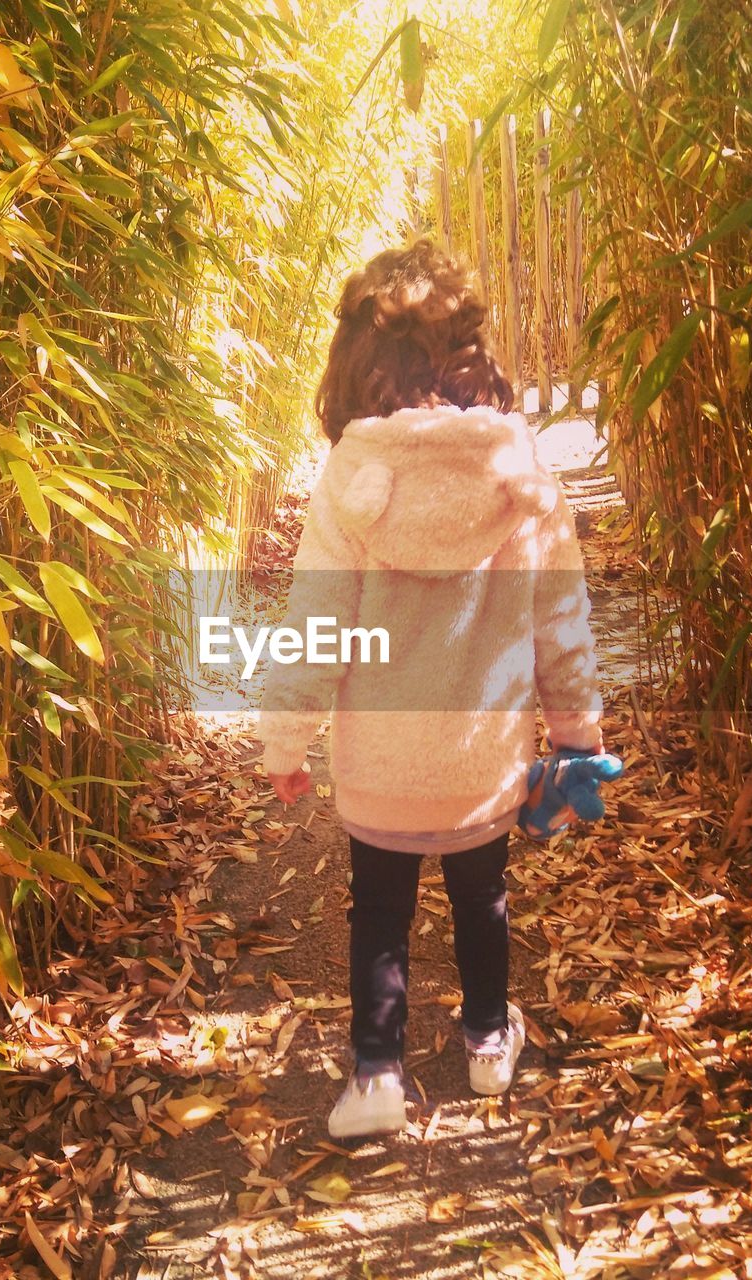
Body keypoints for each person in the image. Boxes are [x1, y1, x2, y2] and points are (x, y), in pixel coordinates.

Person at [257, 238, 606, 1140]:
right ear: (469, 354)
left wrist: (285, 744)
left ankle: (376, 1074)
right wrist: (576, 738)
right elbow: (558, 622)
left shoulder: (353, 475)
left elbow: (316, 620)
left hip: (380, 763)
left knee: (378, 908)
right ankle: (490, 1042)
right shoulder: (519, 471)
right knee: (480, 895)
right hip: (481, 765)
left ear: (360, 364)